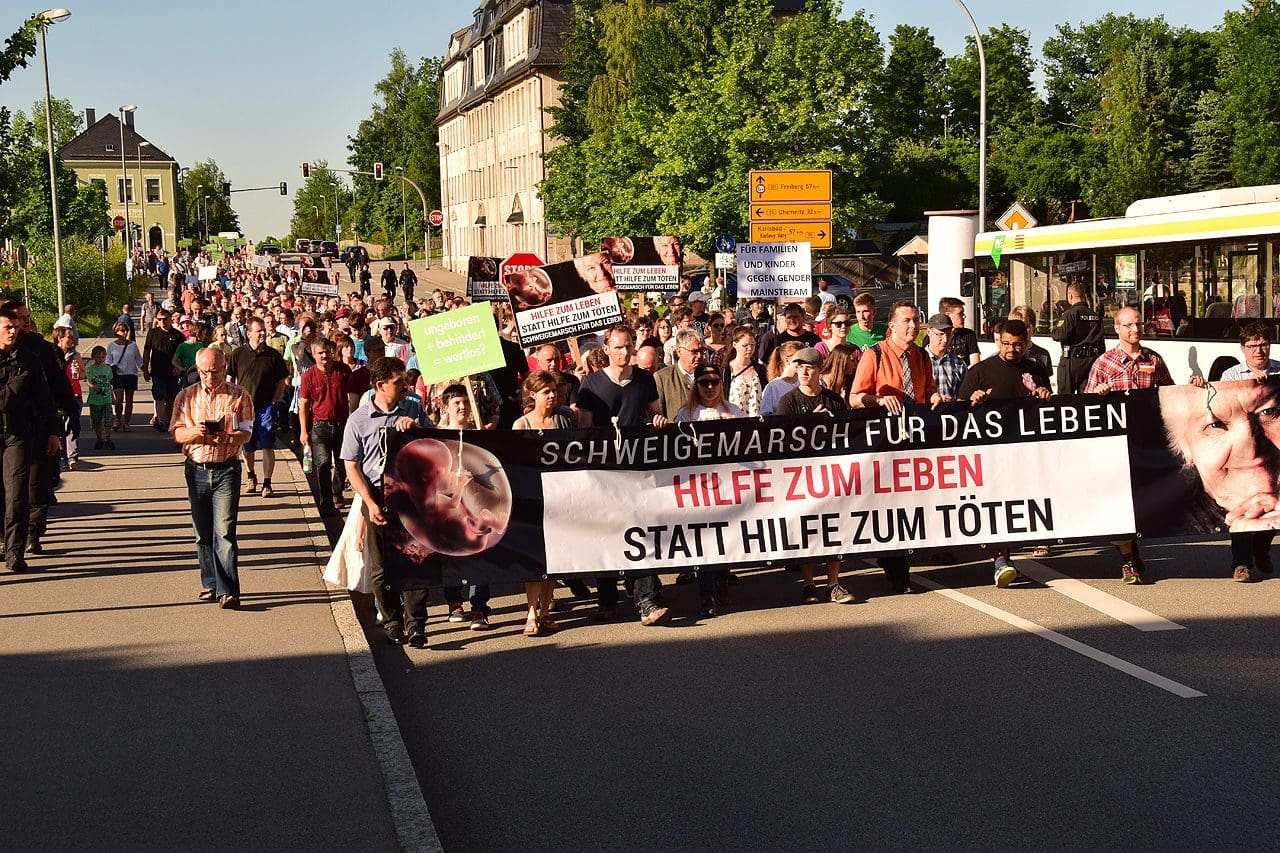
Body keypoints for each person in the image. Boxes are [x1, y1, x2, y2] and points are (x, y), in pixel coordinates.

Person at [1086, 306, 1206, 584]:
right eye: (1128, 325)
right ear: (1117, 328)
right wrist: (1097, 393)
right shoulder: (1103, 363)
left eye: (1138, 324)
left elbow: (1170, 395)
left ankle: (1133, 550)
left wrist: (1193, 387)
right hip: (1116, 445)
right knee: (1119, 501)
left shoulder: (1154, 359)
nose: (1135, 329)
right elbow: (1086, 403)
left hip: (1148, 444)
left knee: (1143, 502)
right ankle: (1128, 559)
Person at [576, 324, 669, 625]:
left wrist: (658, 420)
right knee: (606, 533)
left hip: (636, 469)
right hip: (604, 471)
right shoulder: (591, 385)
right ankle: (607, 601)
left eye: (628, 345)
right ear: (606, 349)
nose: (625, 352)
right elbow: (585, 431)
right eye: (618, 347)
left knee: (638, 530)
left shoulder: (644, 379)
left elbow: (654, 413)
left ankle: (648, 601)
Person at [850, 301, 941, 594]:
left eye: (915, 320)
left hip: (915, 440)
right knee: (891, 505)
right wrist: (877, 400)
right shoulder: (875, 354)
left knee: (913, 502)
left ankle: (900, 557)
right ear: (891, 325)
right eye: (907, 321)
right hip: (884, 444)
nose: (913, 326)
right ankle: (897, 570)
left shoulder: (921, 356)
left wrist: (935, 396)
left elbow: (928, 391)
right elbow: (854, 397)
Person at [341, 356, 433, 647]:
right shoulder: (358, 420)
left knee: (417, 558)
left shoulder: (413, 409)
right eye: (398, 382)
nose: (405, 386)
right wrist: (369, 502)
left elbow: (436, 444)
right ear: (380, 385)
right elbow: (351, 467)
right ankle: (392, 621)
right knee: (383, 566)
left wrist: (416, 430)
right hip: (377, 495)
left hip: (411, 493)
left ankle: (416, 623)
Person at [958, 319, 1052, 587]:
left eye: (1018, 345)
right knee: (998, 504)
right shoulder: (981, 370)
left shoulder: (1036, 369)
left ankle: (1029, 546)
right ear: (998, 341)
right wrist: (974, 400)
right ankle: (1001, 560)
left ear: (1027, 343)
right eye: (1006, 343)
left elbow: (1048, 407)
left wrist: (1045, 395)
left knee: (1024, 502)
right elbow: (958, 410)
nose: (1011, 349)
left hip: (1027, 450)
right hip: (992, 452)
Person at [1186, 322, 1280, 582]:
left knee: (1272, 503)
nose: (1258, 350)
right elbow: (1218, 407)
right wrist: (1201, 387)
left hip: (1273, 449)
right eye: (1252, 345)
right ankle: (1241, 564)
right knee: (1242, 505)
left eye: (1263, 344)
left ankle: (1261, 547)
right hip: (1242, 450)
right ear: (1243, 349)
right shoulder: (1231, 375)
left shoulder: (1278, 371)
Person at [169, 348, 254, 609]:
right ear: (197, 369)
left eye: (215, 371)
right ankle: (211, 583)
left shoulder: (239, 395)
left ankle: (228, 591)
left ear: (224, 368)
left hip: (227, 469)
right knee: (202, 532)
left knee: (224, 532)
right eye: (204, 372)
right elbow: (177, 433)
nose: (209, 377)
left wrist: (227, 437)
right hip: (196, 469)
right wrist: (195, 432)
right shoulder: (186, 396)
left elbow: (247, 433)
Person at [772, 347, 856, 605]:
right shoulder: (788, 401)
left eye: (809, 367)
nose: (803, 372)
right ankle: (809, 584)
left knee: (834, 527)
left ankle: (833, 583)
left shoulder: (834, 400)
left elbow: (847, 435)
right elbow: (780, 439)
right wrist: (809, 422)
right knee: (805, 529)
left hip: (830, 474)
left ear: (820, 369)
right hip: (800, 477)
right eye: (799, 367)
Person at [0, 306, 60, 572]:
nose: (13, 332)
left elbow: (44, 398)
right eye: (7, 327)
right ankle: (3, 541)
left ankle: (15, 552)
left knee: (16, 494)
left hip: (18, 434)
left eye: (15, 327)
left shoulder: (28, 360)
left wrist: (53, 431)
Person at [228, 317, 290, 499]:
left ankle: (267, 483)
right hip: (244, 408)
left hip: (266, 407)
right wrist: (231, 401)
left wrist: (275, 400)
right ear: (248, 333)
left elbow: (281, 380)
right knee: (247, 446)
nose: (263, 333)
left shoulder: (273, 355)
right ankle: (251, 476)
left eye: (264, 330)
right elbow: (230, 378)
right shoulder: (238, 353)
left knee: (267, 444)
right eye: (258, 331)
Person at [299, 338, 352, 515]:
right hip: (320, 426)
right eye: (320, 353)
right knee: (323, 463)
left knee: (342, 462)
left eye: (327, 352)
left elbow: (353, 397)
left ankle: (337, 492)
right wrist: (303, 431)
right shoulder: (308, 376)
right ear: (313, 355)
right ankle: (326, 501)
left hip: (342, 425)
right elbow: (304, 405)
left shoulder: (343, 371)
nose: (324, 356)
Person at [1052, 283, 1104, 393]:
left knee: (1066, 398)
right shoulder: (1095, 315)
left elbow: (1058, 335)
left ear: (1070, 296)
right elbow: (1101, 342)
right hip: (1091, 361)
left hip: (1071, 361)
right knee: (1086, 397)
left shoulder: (1069, 314)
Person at [142, 310, 185, 430]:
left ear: (170, 319)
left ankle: (168, 421)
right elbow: (146, 351)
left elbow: (182, 354)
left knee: (171, 398)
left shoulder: (178, 335)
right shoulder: (153, 333)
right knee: (159, 397)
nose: (162, 321)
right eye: (160, 319)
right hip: (157, 371)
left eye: (165, 319)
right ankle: (161, 421)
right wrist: (145, 369)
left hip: (173, 372)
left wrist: (179, 367)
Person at [654, 328, 706, 420]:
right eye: (694, 352)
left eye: (701, 350)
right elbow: (658, 415)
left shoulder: (710, 375)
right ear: (679, 351)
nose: (699, 356)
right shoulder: (663, 378)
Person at [52, 328, 84, 467]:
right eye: (69, 337)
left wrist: (79, 372)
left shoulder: (75, 356)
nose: (73, 340)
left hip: (74, 394)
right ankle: (62, 456)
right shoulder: (51, 355)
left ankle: (72, 457)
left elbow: (83, 375)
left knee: (71, 425)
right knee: (59, 427)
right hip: (58, 396)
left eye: (73, 337)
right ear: (60, 338)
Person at [106, 321, 143, 431]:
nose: (125, 332)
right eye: (122, 330)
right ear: (116, 331)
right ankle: (118, 419)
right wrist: (108, 372)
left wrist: (145, 371)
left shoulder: (133, 345)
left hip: (131, 374)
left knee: (129, 400)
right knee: (118, 400)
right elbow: (108, 360)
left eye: (126, 330)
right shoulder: (111, 345)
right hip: (117, 375)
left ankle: (126, 423)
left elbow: (139, 360)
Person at [924, 313, 967, 401]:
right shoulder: (918, 361)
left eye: (948, 334)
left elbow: (964, 395)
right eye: (940, 334)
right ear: (928, 332)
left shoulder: (959, 364)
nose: (945, 339)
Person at [724, 327, 765, 418]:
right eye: (745, 345)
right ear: (735, 345)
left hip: (757, 420)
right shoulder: (727, 370)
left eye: (752, 344)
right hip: (735, 420)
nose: (750, 348)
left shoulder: (760, 370)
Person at [84, 346, 114, 452]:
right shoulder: (90, 369)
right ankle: (99, 439)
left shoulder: (108, 369)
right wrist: (92, 386)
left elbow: (109, 383)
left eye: (103, 357)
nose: (101, 359)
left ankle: (108, 439)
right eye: (98, 357)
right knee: (97, 421)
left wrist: (113, 396)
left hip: (106, 399)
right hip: (95, 400)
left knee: (108, 420)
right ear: (93, 357)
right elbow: (86, 380)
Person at [1008, 306, 1052, 375]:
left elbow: (1045, 379)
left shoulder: (1043, 355)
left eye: (1025, 326)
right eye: (1016, 327)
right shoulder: (1005, 355)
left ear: (1033, 330)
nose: (1020, 331)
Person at [938, 297, 980, 366]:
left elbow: (975, 363)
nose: (964, 316)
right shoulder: (932, 338)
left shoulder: (968, 334)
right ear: (948, 315)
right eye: (960, 313)